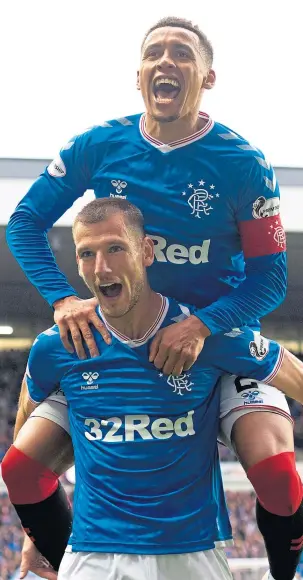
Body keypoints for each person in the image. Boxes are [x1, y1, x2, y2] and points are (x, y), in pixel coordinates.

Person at [5, 15, 297, 580]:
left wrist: (203, 326)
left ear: (208, 77)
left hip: (215, 340)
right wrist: (64, 299)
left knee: (278, 474)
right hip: (118, 339)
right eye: (154, 53)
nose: (166, 62)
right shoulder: (98, 146)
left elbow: (270, 282)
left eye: (182, 54)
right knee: (20, 469)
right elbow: (24, 223)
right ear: (138, 75)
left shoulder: (244, 164)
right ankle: (59, 555)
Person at [4, 198, 303, 580]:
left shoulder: (201, 334)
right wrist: (31, 528)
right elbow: (29, 410)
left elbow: (291, 373)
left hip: (192, 556)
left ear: (146, 251)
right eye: (86, 253)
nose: (101, 267)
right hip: (93, 557)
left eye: (115, 248)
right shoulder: (58, 345)